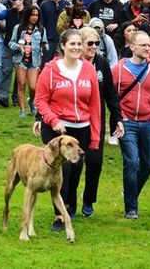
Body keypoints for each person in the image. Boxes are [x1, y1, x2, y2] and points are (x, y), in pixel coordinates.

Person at [34, 29, 101, 229]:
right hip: (57, 131)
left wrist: (95, 136)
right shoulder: (50, 70)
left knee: (75, 172)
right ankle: (59, 216)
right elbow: (40, 99)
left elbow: (95, 105)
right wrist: (53, 120)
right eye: (72, 44)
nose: (77, 48)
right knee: (62, 171)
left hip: (82, 128)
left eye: (79, 44)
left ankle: (69, 207)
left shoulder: (88, 69)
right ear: (63, 46)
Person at [112, 30, 150, 219]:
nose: (148, 48)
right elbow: (111, 97)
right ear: (132, 47)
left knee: (149, 164)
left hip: (148, 122)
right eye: (143, 45)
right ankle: (131, 208)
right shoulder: (118, 69)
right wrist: (120, 118)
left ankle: (130, 192)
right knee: (131, 162)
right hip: (128, 124)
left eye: (149, 45)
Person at [78, 26, 124, 217]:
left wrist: (118, 118)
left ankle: (89, 200)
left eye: (97, 42)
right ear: (80, 44)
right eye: (90, 43)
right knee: (73, 165)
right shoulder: (72, 63)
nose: (94, 46)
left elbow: (111, 95)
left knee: (95, 162)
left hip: (96, 121)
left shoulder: (102, 63)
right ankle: (69, 203)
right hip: (75, 120)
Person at [9, 5, 47, 117]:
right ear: (28, 15)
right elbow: (11, 43)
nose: (34, 17)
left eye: (36, 15)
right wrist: (18, 47)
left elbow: (46, 43)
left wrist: (44, 47)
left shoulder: (41, 30)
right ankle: (22, 110)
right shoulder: (18, 28)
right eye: (32, 15)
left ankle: (31, 102)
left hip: (34, 61)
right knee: (21, 84)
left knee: (33, 87)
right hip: (21, 60)